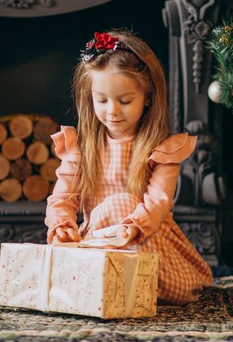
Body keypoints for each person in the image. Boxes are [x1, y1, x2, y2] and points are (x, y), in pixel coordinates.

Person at [45, 30, 213, 304]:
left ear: (147, 97)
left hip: (145, 237)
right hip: (98, 242)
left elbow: (158, 201)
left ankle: (130, 282)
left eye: (125, 101)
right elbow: (62, 197)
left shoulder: (160, 149)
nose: (112, 110)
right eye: (102, 100)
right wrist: (62, 225)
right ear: (90, 98)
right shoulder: (82, 147)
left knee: (122, 204)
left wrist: (133, 228)